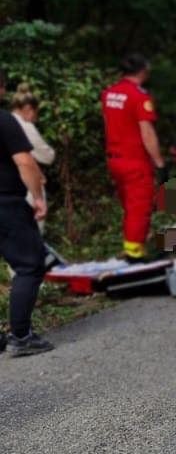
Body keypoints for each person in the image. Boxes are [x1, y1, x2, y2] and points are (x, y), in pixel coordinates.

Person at [0, 69, 53, 356]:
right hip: (6, 204)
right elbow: (25, 162)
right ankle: (21, 335)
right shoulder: (5, 121)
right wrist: (37, 197)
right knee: (30, 264)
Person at [101, 54, 166, 262]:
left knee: (129, 205)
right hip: (134, 160)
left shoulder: (109, 93)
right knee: (140, 205)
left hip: (114, 158)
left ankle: (133, 245)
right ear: (143, 71)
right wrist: (159, 163)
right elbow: (147, 132)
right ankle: (133, 252)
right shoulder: (140, 97)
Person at [10, 85, 54, 230]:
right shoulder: (24, 126)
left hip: (7, 186)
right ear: (28, 109)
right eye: (36, 113)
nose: (36, 118)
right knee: (33, 230)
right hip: (25, 184)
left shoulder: (5, 120)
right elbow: (47, 156)